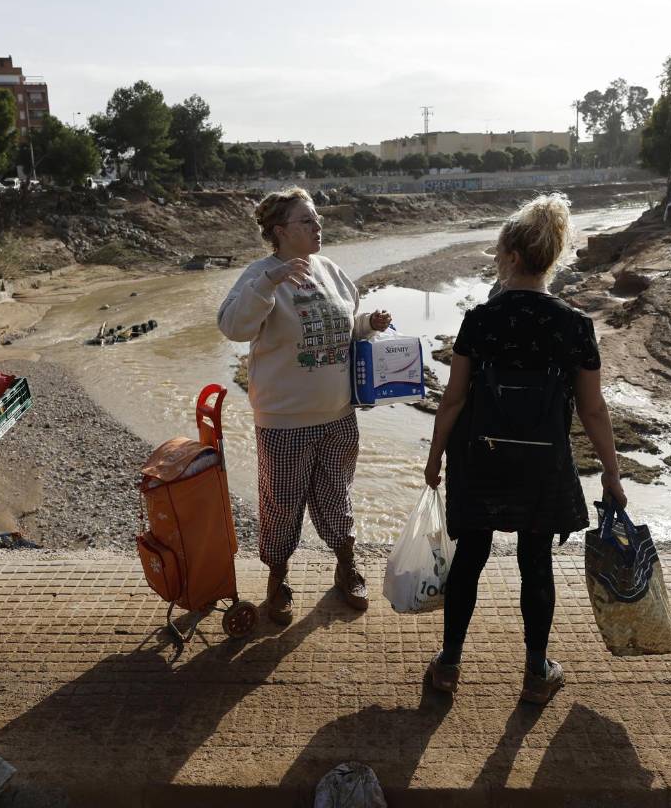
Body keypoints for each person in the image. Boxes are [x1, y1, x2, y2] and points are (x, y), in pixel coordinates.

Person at [422, 193, 627, 703]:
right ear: (551, 257)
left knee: (470, 556)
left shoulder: (480, 320)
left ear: (511, 256)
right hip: (543, 463)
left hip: (479, 459)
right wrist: (612, 470)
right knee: (536, 563)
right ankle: (537, 672)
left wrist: (433, 460)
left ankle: (448, 666)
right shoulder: (575, 326)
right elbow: (593, 409)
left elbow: (453, 400)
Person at [218, 186, 392, 625]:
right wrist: (268, 283)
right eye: (308, 221)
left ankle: (346, 566)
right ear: (280, 231)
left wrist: (367, 324)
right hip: (284, 419)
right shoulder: (260, 274)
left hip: (338, 414)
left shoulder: (329, 268)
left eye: (317, 220)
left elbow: (341, 326)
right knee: (282, 504)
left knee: (337, 496)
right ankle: (277, 581)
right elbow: (233, 327)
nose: (319, 227)